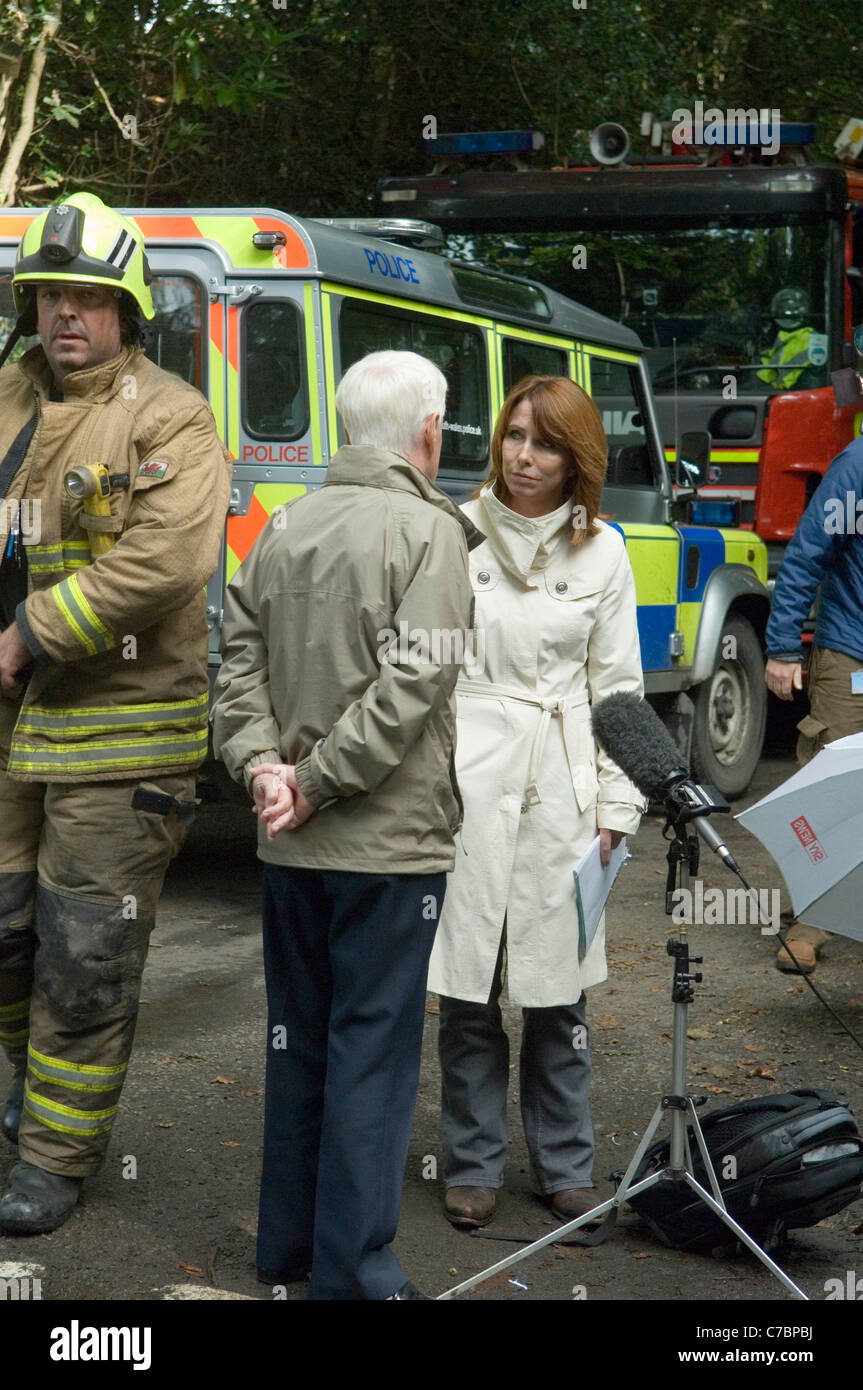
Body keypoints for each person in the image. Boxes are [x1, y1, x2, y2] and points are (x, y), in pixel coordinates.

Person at [211, 349, 481, 1300]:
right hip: (387, 847)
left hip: (289, 842)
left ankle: (286, 1251)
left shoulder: (280, 527)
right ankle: (353, 1272)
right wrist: (318, 782)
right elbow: (414, 684)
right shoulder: (431, 533)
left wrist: (263, 771)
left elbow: (233, 663)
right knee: (371, 1051)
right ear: (426, 434)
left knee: (300, 1039)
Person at [0, 193, 231, 1235]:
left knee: (82, 953)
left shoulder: (168, 411)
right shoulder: (6, 393)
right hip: (13, 735)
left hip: (120, 734)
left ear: (127, 311)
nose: (65, 314)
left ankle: (56, 1154)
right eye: (51, 293)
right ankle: (22, 1098)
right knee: (4, 937)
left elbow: (166, 560)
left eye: (88, 297)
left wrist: (28, 633)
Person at [427, 374, 645, 1230]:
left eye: (546, 443)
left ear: (576, 457)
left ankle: (565, 1164)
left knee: (558, 996)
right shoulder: (457, 532)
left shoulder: (605, 552)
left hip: (562, 787)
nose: (524, 457)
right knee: (470, 988)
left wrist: (618, 809)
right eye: (515, 436)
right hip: (468, 786)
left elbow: (619, 691)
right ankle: (471, 1161)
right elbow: (428, 668)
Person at [765, 432, 863, 975]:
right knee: (833, 787)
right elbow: (805, 557)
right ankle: (811, 921)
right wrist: (782, 646)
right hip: (852, 655)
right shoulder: (857, 466)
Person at [757, 287, 821, 390]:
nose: (789, 311)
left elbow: (846, 397)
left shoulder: (829, 342)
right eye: (784, 307)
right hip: (773, 393)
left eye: (795, 307)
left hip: (804, 397)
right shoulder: (772, 338)